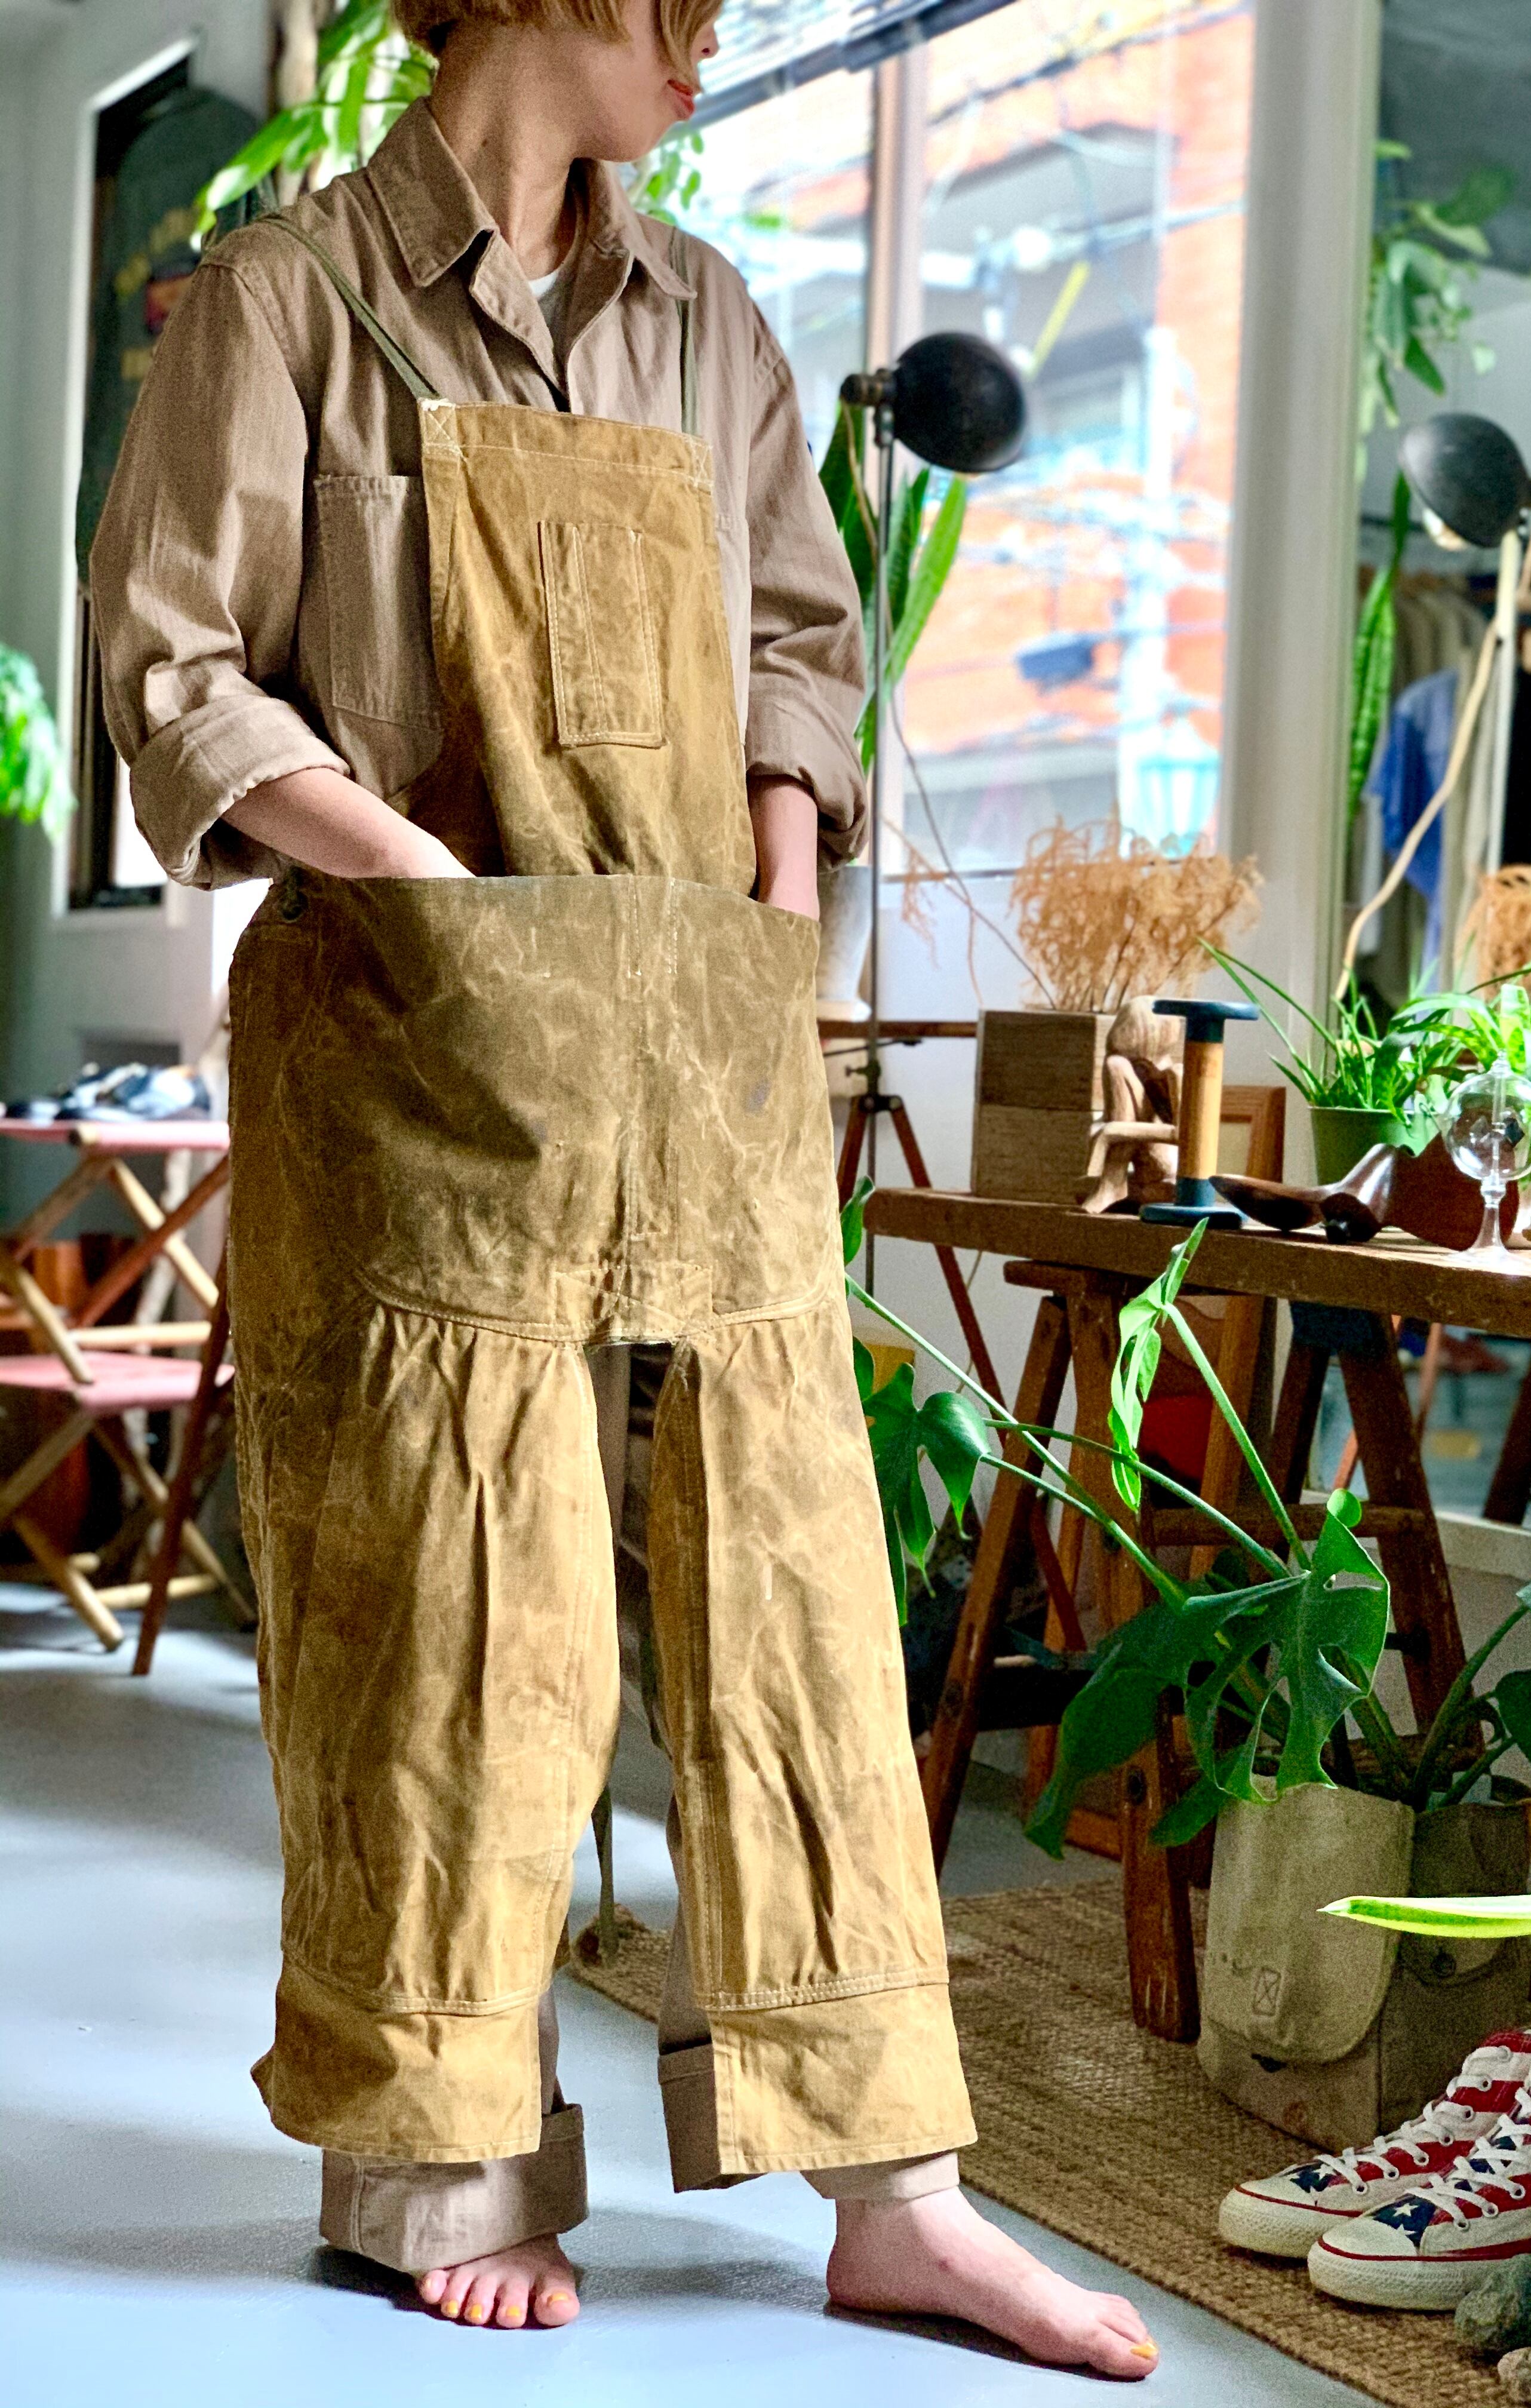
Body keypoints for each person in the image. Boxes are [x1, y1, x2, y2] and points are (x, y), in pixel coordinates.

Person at [90, 0, 1159, 2376]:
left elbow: (799, 644)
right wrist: (433, 892)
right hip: (424, 1048)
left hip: (697, 1030)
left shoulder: (712, 327)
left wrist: (772, 909)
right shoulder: (292, 299)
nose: (710, 30)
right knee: (460, 1598)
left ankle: (899, 2190)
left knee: (800, 1585)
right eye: (677, 2)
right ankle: (439, 2161)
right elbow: (174, 669)